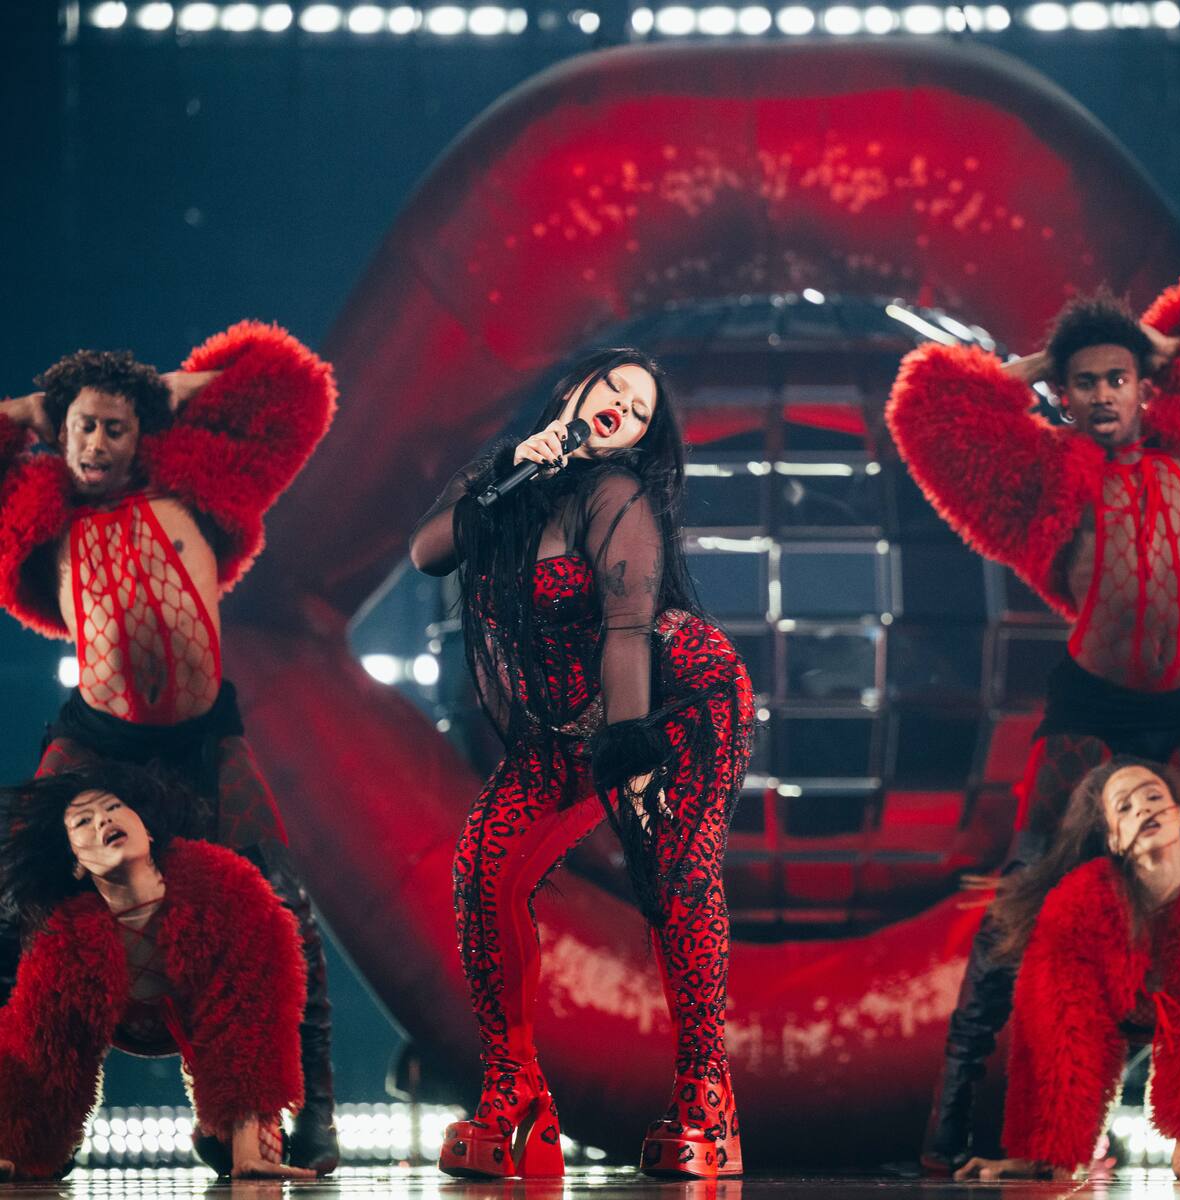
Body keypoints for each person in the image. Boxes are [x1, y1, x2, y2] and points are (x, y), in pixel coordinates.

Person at [0, 323, 340, 1171]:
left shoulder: (199, 485)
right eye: (82, 426)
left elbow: (295, 391)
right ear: (59, 431)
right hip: (93, 743)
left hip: (202, 741)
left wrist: (163, 391)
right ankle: (23, 1127)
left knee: (285, 907)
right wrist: (31, 410)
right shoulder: (40, 517)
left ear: (142, 435)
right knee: (13, 908)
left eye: (114, 427)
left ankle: (306, 1116)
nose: (96, 442)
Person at [410, 349, 754, 1179]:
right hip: (561, 728)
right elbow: (428, 553)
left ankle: (707, 1099)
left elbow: (630, 628)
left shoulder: (616, 493)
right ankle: (515, 1096)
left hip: (671, 707)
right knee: (483, 871)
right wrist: (512, 476)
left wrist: (630, 754)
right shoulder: (499, 479)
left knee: (674, 875)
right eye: (616, 392)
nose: (624, 412)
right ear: (573, 391)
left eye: (640, 413)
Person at [886, 275, 1180, 1170]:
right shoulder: (1048, 478)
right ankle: (951, 1118)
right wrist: (1033, 365)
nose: (1102, 396)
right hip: (1091, 712)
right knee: (1024, 897)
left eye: (1117, 379)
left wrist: (1164, 348)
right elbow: (930, 409)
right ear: (1063, 395)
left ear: (1145, 386)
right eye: (1084, 383)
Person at [0, 763, 313, 1182]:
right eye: (83, 821)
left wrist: (246, 1153)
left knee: (254, 1146)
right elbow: (35, 1049)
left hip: (201, 1019)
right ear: (75, 862)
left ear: (146, 830)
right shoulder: (63, 937)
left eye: (113, 808)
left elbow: (251, 1023)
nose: (104, 820)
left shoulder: (225, 890)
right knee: (37, 1155)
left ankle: (218, 1136)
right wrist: (13, 1149)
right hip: (119, 1021)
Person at [955, 758, 1180, 1182]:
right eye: (1124, 807)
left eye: (1153, 797)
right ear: (1114, 840)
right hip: (1111, 1004)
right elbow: (1058, 1031)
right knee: (1053, 1008)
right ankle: (1045, 1152)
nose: (1143, 808)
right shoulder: (1080, 902)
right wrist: (1046, 1153)